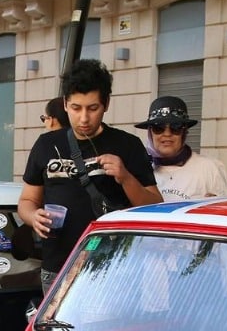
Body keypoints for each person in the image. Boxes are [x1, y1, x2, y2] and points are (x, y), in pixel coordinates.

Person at [19, 59, 161, 293]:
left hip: (114, 268)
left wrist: (126, 177)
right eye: (76, 108)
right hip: (58, 269)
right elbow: (26, 201)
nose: (84, 118)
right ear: (65, 104)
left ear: (106, 104)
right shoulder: (46, 144)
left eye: (92, 108)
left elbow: (155, 206)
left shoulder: (128, 145)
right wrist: (33, 217)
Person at [135, 96, 227, 201]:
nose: (167, 134)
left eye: (175, 127)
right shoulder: (139, 171)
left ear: (184, 132)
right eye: (158, 128)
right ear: (150, 133)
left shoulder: (210, 169)